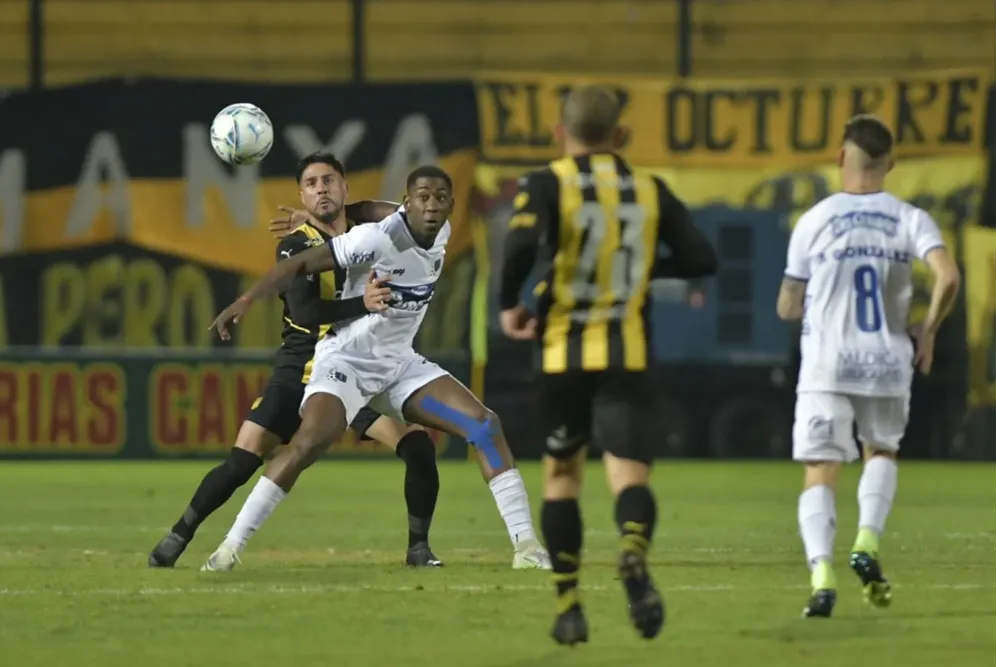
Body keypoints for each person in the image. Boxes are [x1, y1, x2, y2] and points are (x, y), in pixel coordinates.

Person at [202, 165, 551, 572]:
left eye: (440, 198)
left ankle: (526, 546)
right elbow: (296, 266)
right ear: (407, 202)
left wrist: (332, 211)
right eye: (422, 196)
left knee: (484, 426)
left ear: (452, 205)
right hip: (345, 361)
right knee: (310, 442)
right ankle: (229, 547)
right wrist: (244, 302)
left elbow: (367, 205)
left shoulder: (443, 231)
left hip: (398, 365)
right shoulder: (374, 238)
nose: (432, 205)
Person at [498, 85, 718, 646]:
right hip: (629, 355)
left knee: (562, 477)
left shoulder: (547, 182)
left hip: (562, 355)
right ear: (620, 136)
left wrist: (509, 304)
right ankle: (632, 549)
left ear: (559, 133)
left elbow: (520, 247)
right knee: (628, 472)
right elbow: (701, 259)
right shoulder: (650, 189)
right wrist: (642, 266)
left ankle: (569, 604)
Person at [149, 152, 444, 569]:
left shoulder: (373, 231)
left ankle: (418, 549)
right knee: (243, 459)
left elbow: (409, 209)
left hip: (356, 367)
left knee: (417, 446)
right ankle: (179, 535)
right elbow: (305, 314)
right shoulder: (296, 245)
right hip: (300, 365)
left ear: (345, 188)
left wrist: (358, 213)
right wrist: (363, 303)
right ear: (301, 196)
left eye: (329, 181)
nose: (321, 188)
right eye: (311, 183)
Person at [777, 115, 960, 618]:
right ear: (890, 165)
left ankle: (821, 579)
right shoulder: (909, 218)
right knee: (881, 451)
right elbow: (948, 275)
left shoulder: (813, 220)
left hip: (826, 363)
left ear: (841, 158)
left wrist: (810, 297)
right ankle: (866, 542)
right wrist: (929, 329)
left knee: (821, 470)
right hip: (886, 360)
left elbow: (787, 306)